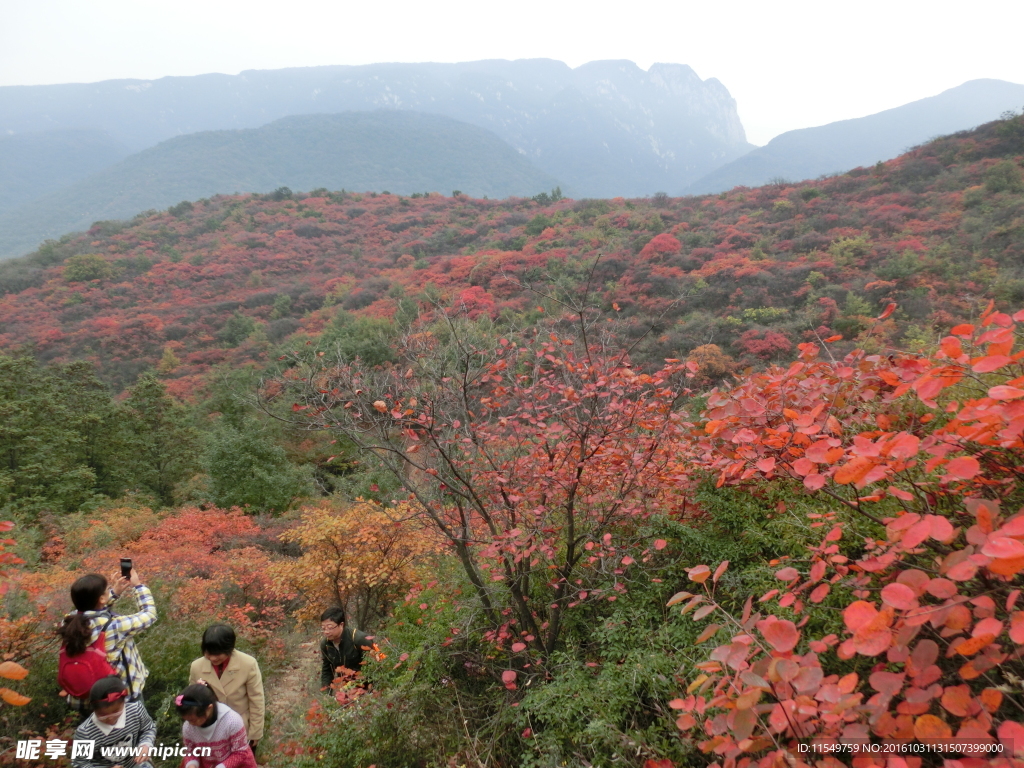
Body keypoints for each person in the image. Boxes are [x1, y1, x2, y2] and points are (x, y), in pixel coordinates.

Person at [58, 568, 157, 703]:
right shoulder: (114, 626)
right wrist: (138, 586)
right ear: (101, 598)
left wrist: (113, 594)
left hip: (86, 698)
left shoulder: (67, 622)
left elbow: (89, 611)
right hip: (119, 699)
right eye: (107, 589)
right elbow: (149, 614)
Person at [188, 624, 265, 748]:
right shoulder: (196, 667)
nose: (213, 658)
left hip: (240, 730)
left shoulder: (248, 664)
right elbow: (192, 702)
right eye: (209, 653)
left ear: (229, 649)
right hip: (209, 733)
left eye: (218, 654)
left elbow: (256, 700)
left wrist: (255, 733)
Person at [71, 675, 156, 768]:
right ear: (93, 710)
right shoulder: (85, 732)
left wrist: (146, 745)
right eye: (103, 715)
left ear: (124, 702)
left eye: (115, 712)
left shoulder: (136, 710)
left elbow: (148, 728)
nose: (110, 719)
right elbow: (80, 764)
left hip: (135, 764)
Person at [175, 682, 257, 768]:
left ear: (209, 708)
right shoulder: (188, 727)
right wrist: (191, 764)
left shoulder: (232, 721)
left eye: (193, 720)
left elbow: (240, 752)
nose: (191, 723)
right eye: (187, 720)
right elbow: (190, 750)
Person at [319, 606, 371, 690]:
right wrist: (326, 694)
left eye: (330, 627)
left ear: (341, 625)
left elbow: (374, 667)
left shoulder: (358, 639)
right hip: (346, 689)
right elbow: (327, 671)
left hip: (366, 686)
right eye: (323, 628)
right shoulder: (326, 644)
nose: (326, 631)